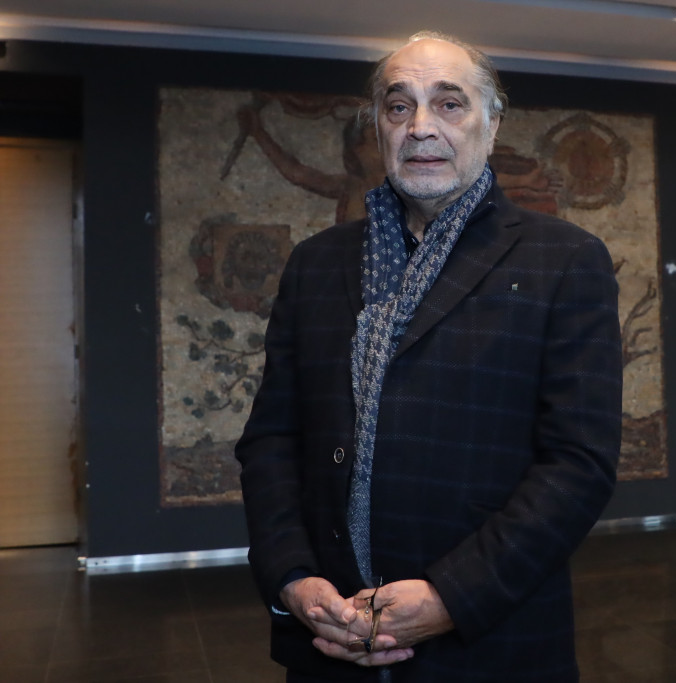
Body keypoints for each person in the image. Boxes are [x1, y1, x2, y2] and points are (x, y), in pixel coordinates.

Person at [235, 30, 623, 683]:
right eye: (398, 106)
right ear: (378, 128)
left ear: (491, 125)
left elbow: (578, 463)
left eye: (449, 103)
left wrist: (451, 597)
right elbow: (273, 438)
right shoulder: (314, 264)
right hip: (330, 641)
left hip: (491, 646)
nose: (420, 126)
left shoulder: (565, 260)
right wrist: (292, 577)